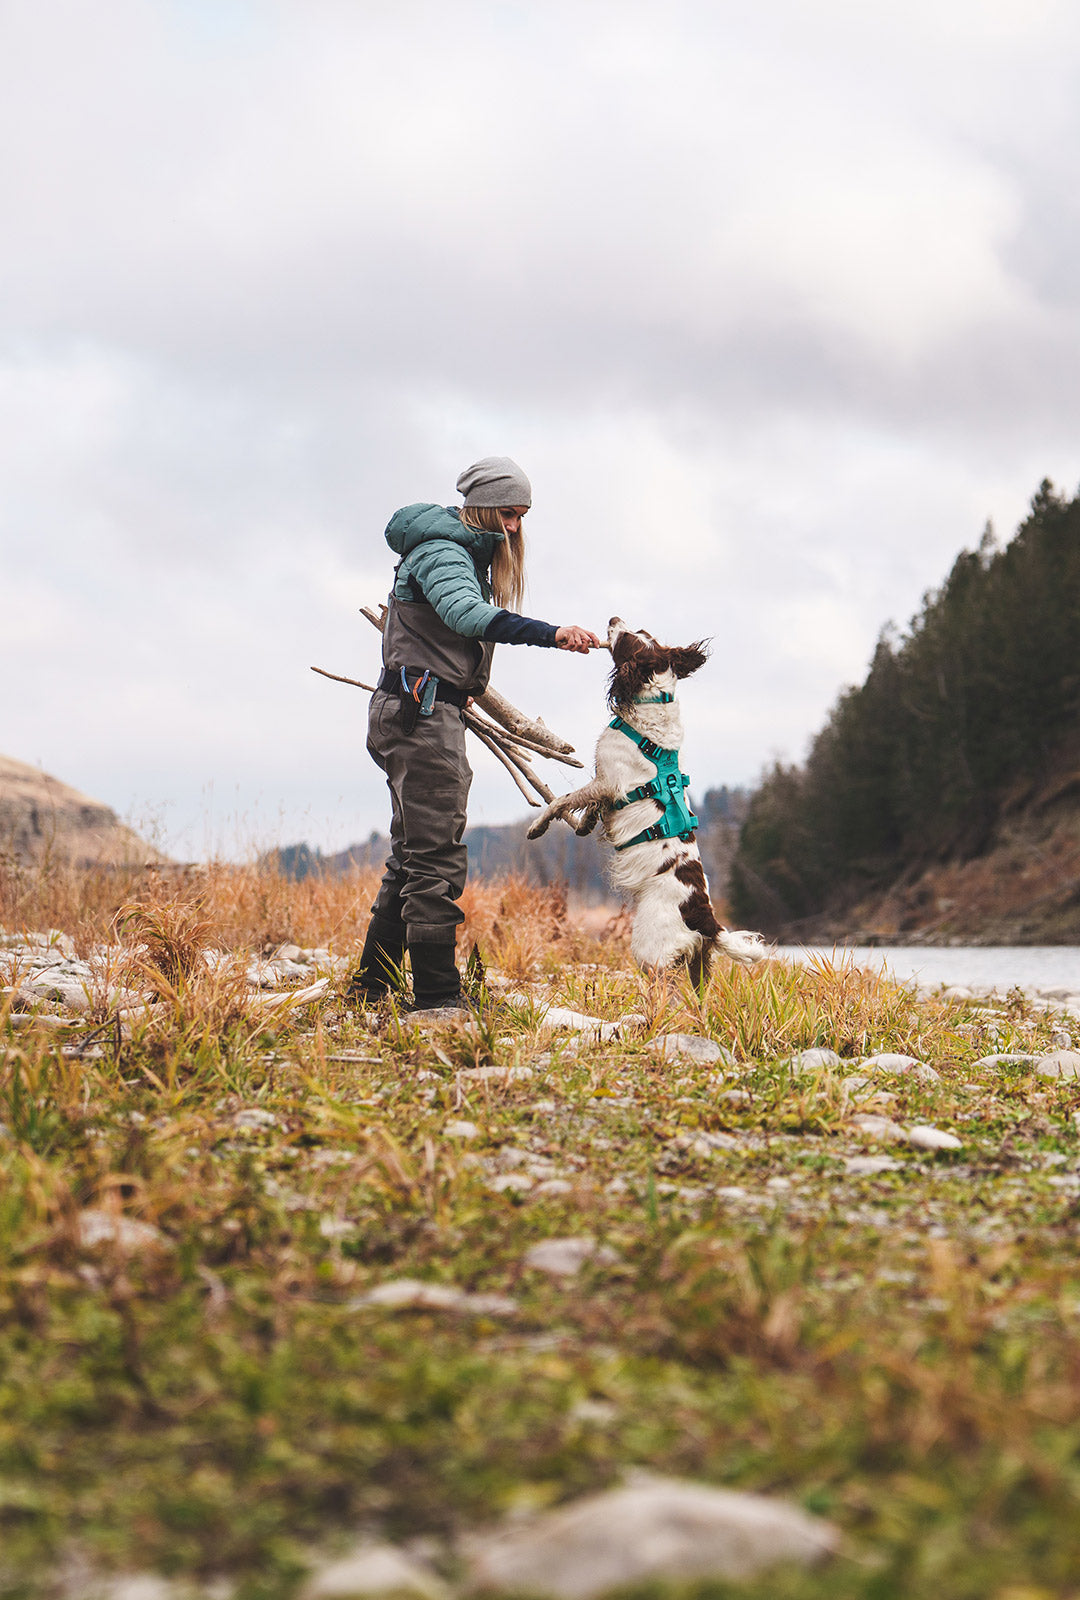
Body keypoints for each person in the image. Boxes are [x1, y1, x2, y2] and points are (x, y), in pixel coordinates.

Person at [351, 456, 600, 1013]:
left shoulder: (460, 549)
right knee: (435, 858)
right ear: (482, 505)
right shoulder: (444, 550)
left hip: (417, 712)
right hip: (421, 717)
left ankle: (371, 988)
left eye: (522, 517)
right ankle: (437, 998)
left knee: (412, 856)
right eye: (508, 513)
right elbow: (465, 615)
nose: (514, 527)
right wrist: (551, 633)